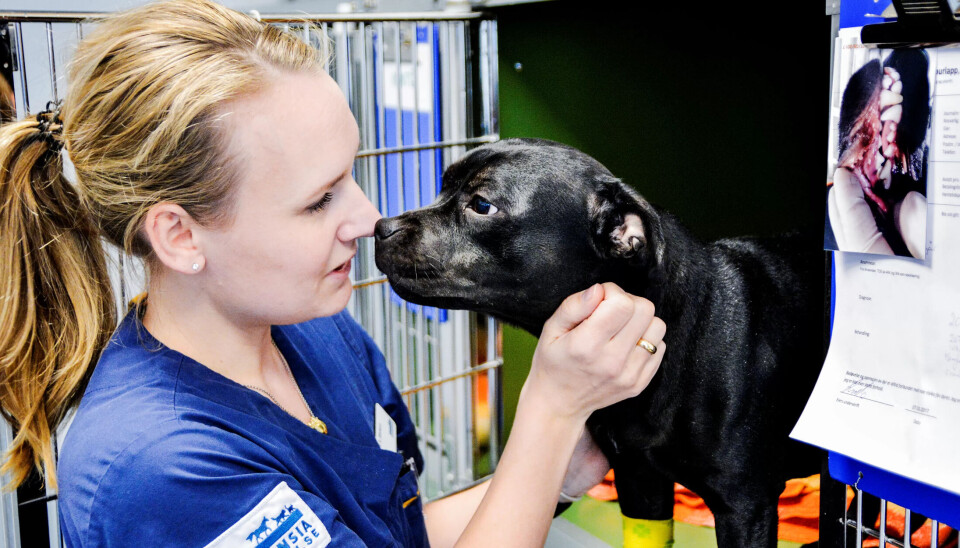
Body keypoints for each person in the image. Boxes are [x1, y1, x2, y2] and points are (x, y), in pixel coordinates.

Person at [0, 1, 666, 546]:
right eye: (318, 200)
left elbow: (388, 537)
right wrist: (549, 408)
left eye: (349, 173)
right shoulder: (166, 470)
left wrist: (565, 466)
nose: (368, 217)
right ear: (179, 235)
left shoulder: (316, 333)